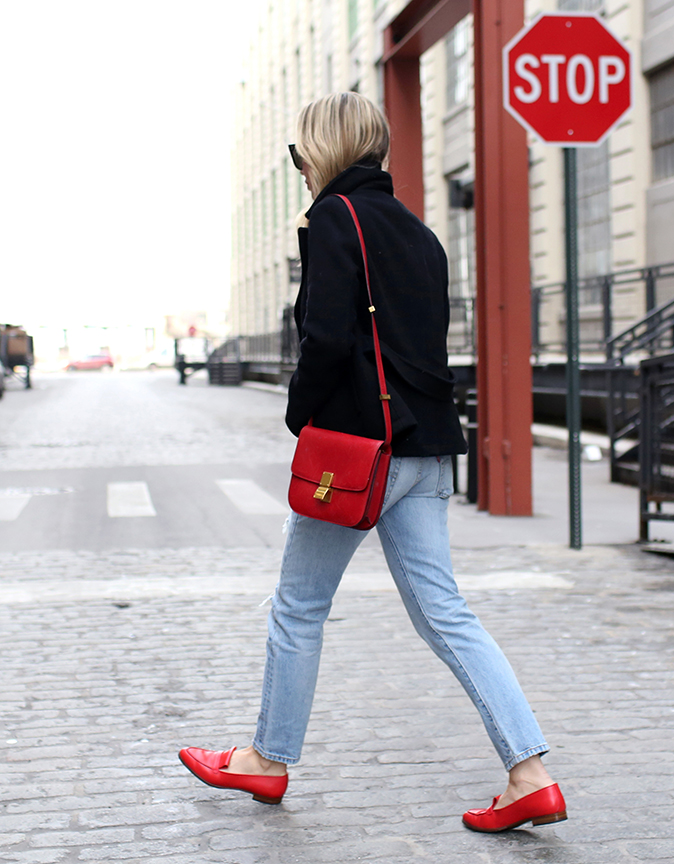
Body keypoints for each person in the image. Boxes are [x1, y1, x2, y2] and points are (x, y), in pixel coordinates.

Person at [179, 91, 567, 833]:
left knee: (299, 606)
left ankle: (266, 759)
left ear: (323, 150)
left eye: (299, 154)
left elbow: (326, 339)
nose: (297, 168)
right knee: (446, 612)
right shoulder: (420, 235)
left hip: (360, 454)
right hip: (425, 450)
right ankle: (530, 773)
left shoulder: (332, 218)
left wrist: (301, 416)